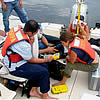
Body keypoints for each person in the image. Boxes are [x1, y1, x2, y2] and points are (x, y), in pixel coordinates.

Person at [1, 20, 57, 99]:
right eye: (35, 32)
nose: (36, 34)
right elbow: (31, 60)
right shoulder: (23, 45)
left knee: (44, 66)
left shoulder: (17, 28)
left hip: (17, 58)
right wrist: (47, 60)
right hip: (15, 66)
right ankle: (45, 95)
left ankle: (33, 90)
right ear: (30, 32)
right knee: (43, 72)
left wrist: (30, 37)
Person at [52, 23, 99, 87]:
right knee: (71, 58)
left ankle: (62, 82)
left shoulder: (74, 49)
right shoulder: (77, 37)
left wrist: (68, 57)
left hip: (92, 66)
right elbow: (86, 36)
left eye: (63, 43)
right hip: (95, 56)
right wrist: (80, 26)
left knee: (70, 65)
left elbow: (71, 62)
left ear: (68, 41)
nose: (62, 44)